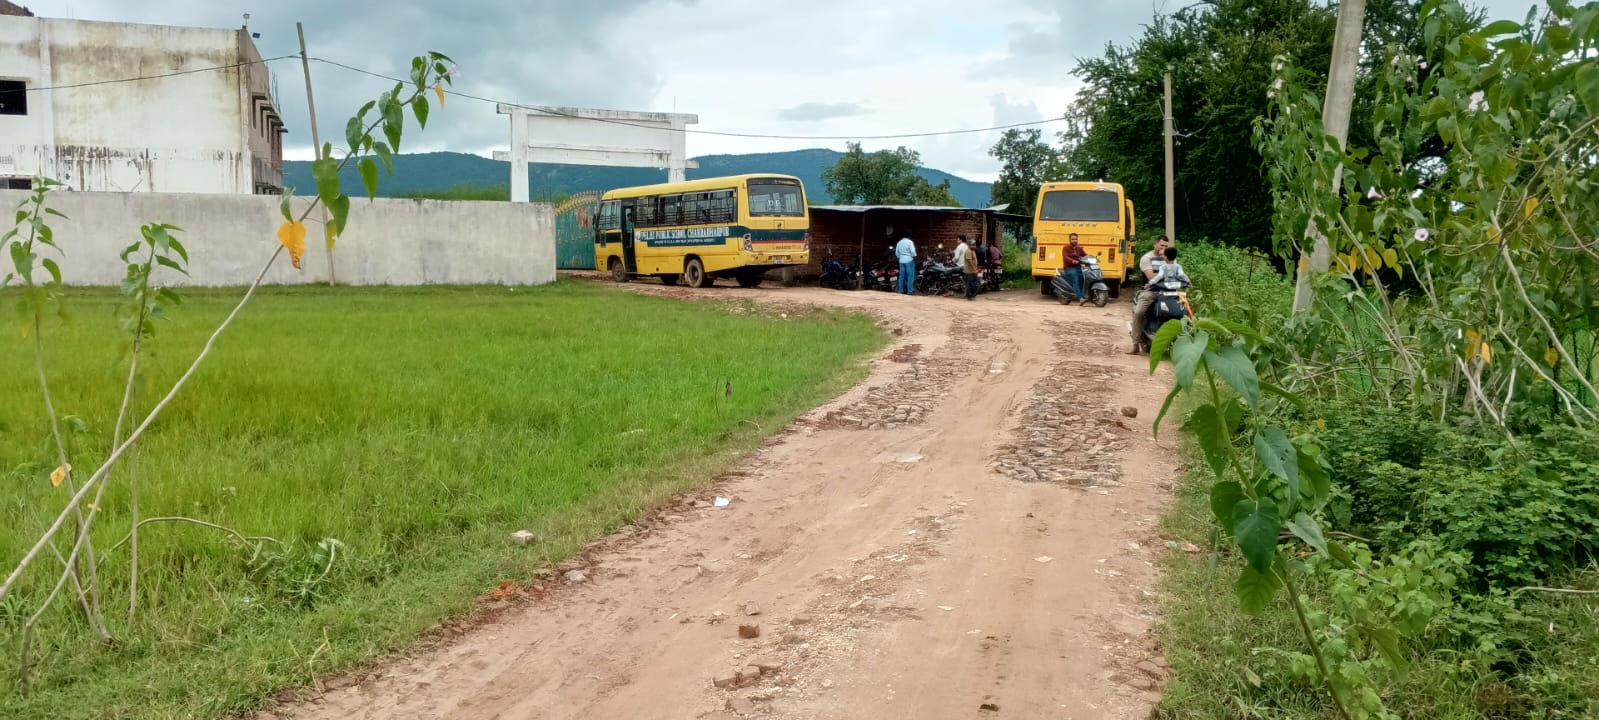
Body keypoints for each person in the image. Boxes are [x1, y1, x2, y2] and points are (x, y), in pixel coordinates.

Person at [1128, 235, 1173, 353]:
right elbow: (1151, 277)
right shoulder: (1146, 258)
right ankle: (1135, 343)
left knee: (1181, 310)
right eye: (1161, 245)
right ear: (1155, 244)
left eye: (1166, 246)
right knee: (1139, 313)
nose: (1163, 248)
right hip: (1151, 291)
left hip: (1168, 292)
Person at [1062, 233, 1089, 304]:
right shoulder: (1066, 248)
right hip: (1069, 268)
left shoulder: (1079, 248)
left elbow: (1085, 255)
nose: (1075, 240)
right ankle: (1080, 299)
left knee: (1085, 278)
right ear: (1069, 240)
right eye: (1073, 239)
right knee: (1075, 279)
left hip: (1078, 267)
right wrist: (1072, 261)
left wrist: (1092, 258)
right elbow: (1066, 257)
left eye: (1076, 239)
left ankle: (1084, 295)